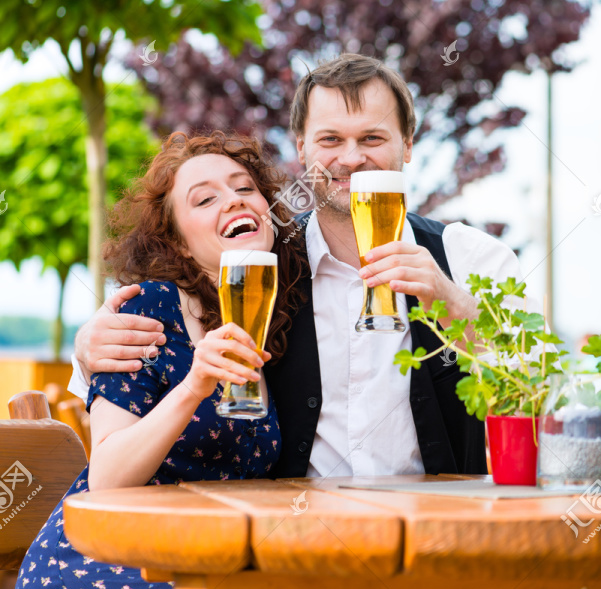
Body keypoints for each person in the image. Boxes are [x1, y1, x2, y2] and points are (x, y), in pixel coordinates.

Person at [70, 53, 524, 479]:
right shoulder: (257, 263)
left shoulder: (468, 257)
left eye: (372, 137)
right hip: (291, 541)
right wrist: (85, 347)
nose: (350, 158)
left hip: (437, 535)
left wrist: (455, 307)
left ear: (407, 145)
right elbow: (167, 331)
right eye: (331, 139)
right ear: (302, 148)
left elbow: (539, 386)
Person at [13, 132, 333, 589]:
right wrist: (193, 386)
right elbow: (109, 478)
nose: (232, 200)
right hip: (102, 571)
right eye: (204, 199)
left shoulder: (274, 319)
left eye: (245, 188)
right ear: (180, 242)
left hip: (201, 564)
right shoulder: (150, 311)